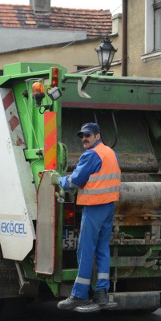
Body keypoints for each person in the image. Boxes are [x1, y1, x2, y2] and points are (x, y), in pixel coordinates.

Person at [56, 122, 121, 310]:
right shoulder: (110, 152)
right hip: (109, 206)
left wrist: (58, 180)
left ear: (97, 136)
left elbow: (75, 181)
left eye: (88, 135)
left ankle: (79, 294)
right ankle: (102, 292)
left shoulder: (92, 155)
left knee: (85, 249)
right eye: (82, 135)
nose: (84, 138)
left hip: (94, 207)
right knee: (102, 249)